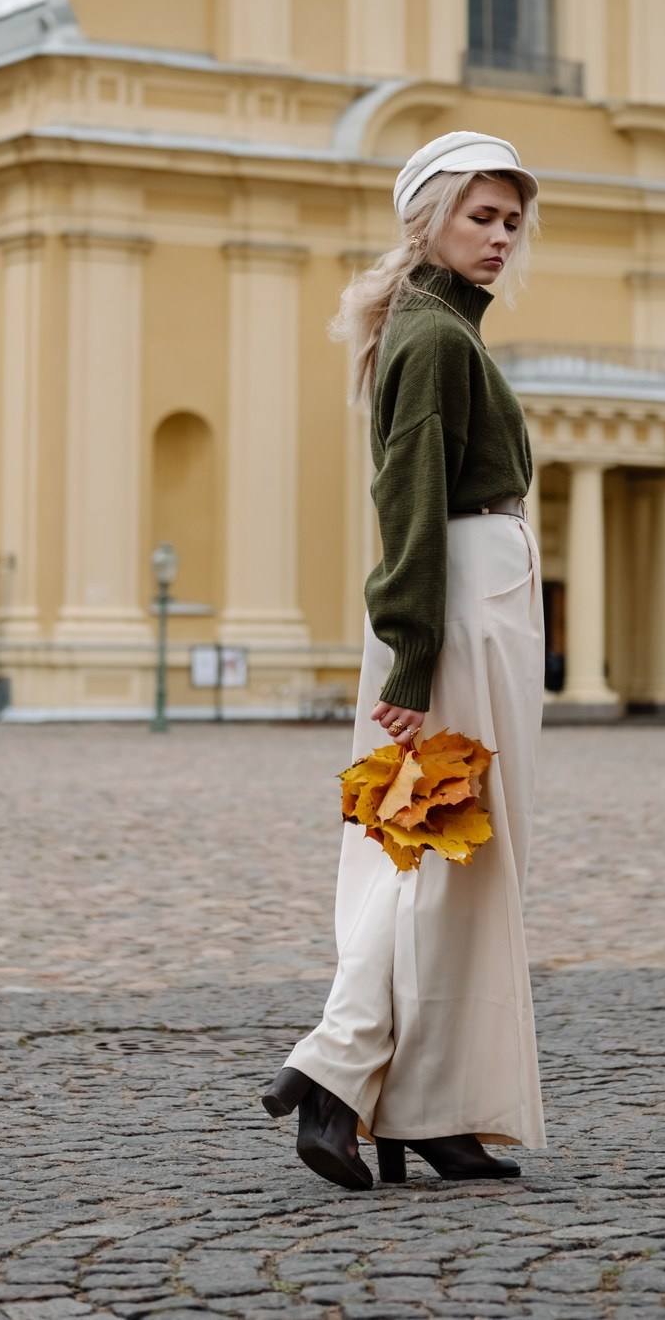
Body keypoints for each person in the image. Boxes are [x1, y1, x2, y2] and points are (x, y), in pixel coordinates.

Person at [262, 131, 545, 1192]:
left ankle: (427, 1108)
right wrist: (413, 666)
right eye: (481, 216)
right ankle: (336, 1074)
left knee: (452, 856)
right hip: (456, 608)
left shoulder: (437, 332)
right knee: (433, 847)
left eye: (511, 221)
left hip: (474, 600)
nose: (500, 236)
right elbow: (407, 505)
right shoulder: (432, 339)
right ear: (426, 217)